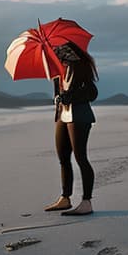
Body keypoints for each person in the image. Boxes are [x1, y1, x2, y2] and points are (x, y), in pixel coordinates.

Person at [44, 41, 98, 216]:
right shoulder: (58, 74)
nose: (59, 58)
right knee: (63, 158)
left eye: (60, 54)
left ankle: (86, 202)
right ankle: (65, 198)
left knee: (81, 158)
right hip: (63, 117)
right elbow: (59, 95)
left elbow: (92, 93)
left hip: (80, 117)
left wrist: (70, 97)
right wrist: (58, 99)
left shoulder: (81, 70)